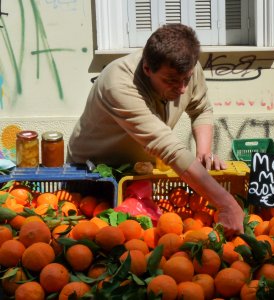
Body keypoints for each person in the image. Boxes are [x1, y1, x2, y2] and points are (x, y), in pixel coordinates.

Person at [67, 24, 244, 236]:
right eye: (170, 81)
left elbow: (201, 109)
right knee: (103, 243)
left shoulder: (187, 66)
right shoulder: (118, 82)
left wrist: (203, 153)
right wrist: (227, 204)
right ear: (147, 69)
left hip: (138, 175)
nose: (182, 89)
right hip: (95, 176)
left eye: (186, 79)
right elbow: (167, 146)